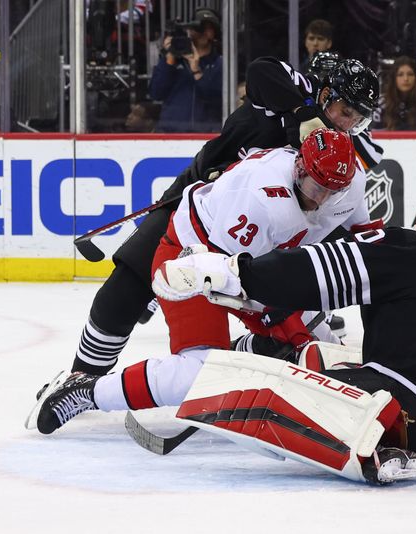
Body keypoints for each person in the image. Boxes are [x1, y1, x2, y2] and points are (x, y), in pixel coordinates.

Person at [34, 207, 416, 483]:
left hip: (408, 413)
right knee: (319, 354)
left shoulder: (407, 250)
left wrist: (237, 272)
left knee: (231, 377)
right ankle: (265, 357)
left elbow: (317, 272)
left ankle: (90, 391)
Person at [48, 57, 382, 389]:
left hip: (256, 236)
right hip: (198, 207)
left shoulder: (339, 152)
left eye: (358, 120)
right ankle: (83, 377)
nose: (347, 125)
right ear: (325, 94)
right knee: (125, 291)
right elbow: (259, 70)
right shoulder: (300, 93)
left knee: (280, 313)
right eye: (345, 111)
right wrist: (303, 113)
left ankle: (245, 352)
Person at [149, 7, 222, 132]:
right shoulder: (172, 59)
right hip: (170, 135)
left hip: (206, 135)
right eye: (199, 27)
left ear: (215, 33)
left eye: (208, 28)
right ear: (190, 30)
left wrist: (197, 71)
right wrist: (170, 59)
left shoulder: (220, 63)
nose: (202, 32)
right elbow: (156, 93)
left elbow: (217, 99)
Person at [372, 56, 416, 130]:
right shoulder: (382, 104)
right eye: (400, 75)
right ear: (394, 78)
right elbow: (374, 135)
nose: (406, 79)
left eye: (410, 74)